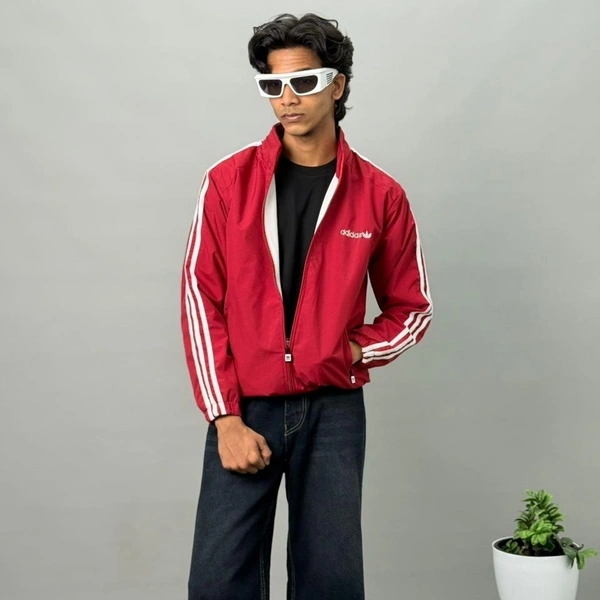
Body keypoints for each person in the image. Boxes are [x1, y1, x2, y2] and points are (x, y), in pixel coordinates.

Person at [180, 12, 433, 600]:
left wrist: (353, 350)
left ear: (337, 85)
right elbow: (199, 297)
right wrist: (224, 417)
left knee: (331, 582)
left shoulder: (380, 195)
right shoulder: (228, 183)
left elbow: (412, 307)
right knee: (218, 582)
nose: (287, 99)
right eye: (272, 85)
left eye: (303, 81)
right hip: (246, 407)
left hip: (334, 412)